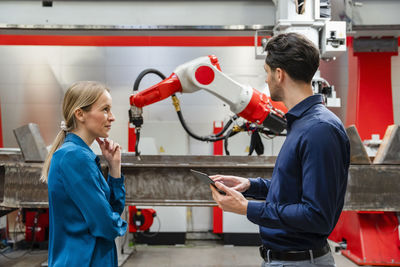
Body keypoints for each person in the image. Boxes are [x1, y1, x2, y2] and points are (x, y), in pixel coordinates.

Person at [210, 32, 350, 267]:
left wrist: (247, 208)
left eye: (266, 72)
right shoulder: (302, 123)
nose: (266, 79)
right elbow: (294, 189)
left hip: (301, 262)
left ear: (279, 74)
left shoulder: (319, 129)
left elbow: (317, 216)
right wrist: (250, 186)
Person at [41, 81, 127, 267]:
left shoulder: (82, 155)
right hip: (84, 260)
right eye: (105, 109)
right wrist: (119, 225)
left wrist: (114, 168)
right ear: (80, 114)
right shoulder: (73, 157)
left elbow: (112, 209)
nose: (112, 117)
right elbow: (105, 224)